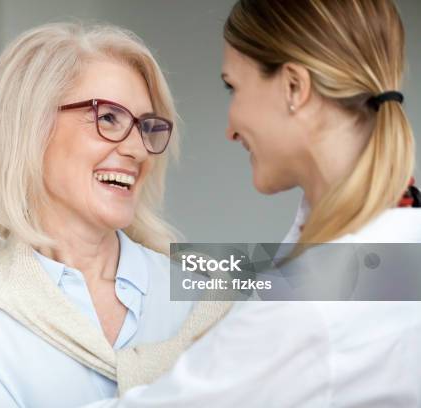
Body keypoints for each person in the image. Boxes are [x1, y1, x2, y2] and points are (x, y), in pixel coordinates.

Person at [76, 0, 421, 406]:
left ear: (294, 87)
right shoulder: (393, 243)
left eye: (233, 87)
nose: (230, 129)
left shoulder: (315, 305)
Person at [0, 23, 229, 408]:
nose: (138, 150)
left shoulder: (214, 285)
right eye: (108, 118)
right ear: (30, 128)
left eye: (146, 126)